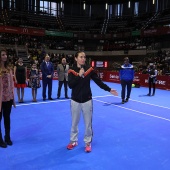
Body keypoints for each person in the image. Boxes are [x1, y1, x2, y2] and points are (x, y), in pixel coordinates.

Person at [66, 51, 118, 153]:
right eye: (81, 57)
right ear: (76, 58)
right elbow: (70, 85)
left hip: (87, 101)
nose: (83, 59)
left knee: (88, 124)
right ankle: (73, 141)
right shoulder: (71, 70)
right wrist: (78, 76)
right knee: (74, 123)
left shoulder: (89, 69)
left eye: (84, 57)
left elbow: (98, 81)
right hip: (75, 101)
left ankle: (88, 142)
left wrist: (109, 89)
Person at [0, 49, 16, 148]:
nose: (5, 56)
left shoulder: (9, 68)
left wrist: (13, 98)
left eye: (6, 54)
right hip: (0, 99)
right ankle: (0, 139)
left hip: (8, 98)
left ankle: (7, 137)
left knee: (7, 118)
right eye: (3, 55)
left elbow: (11, 85)